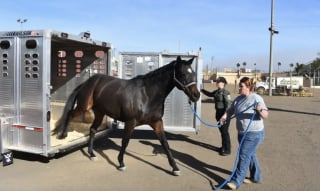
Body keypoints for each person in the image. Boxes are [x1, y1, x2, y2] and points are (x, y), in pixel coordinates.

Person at [219, 77, 268, 190]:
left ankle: (236, 181)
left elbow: (265, 115)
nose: (239, 88)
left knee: (244, 155)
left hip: (254, 134)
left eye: (241, 86)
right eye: (239, 86)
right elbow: (231, 110)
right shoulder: (238, 99)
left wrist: (259, 110)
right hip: (241, 133)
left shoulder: (256, 98)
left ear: (249, 87)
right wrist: (224, 117)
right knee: (250, 155)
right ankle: (256, 177)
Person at [201, 77, 232, 156]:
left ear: (223, 83)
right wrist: (202, 90)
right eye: (217, 82)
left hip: (224, 114)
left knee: (225, 132)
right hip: (218, 113)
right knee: (222, 132)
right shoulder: (217, 92)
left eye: (218, 82)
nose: (216, 83)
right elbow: (210, 94)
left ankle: (227, 149)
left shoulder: (226, 93)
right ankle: (223, 147)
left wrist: (225, 116)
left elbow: (228, 105)